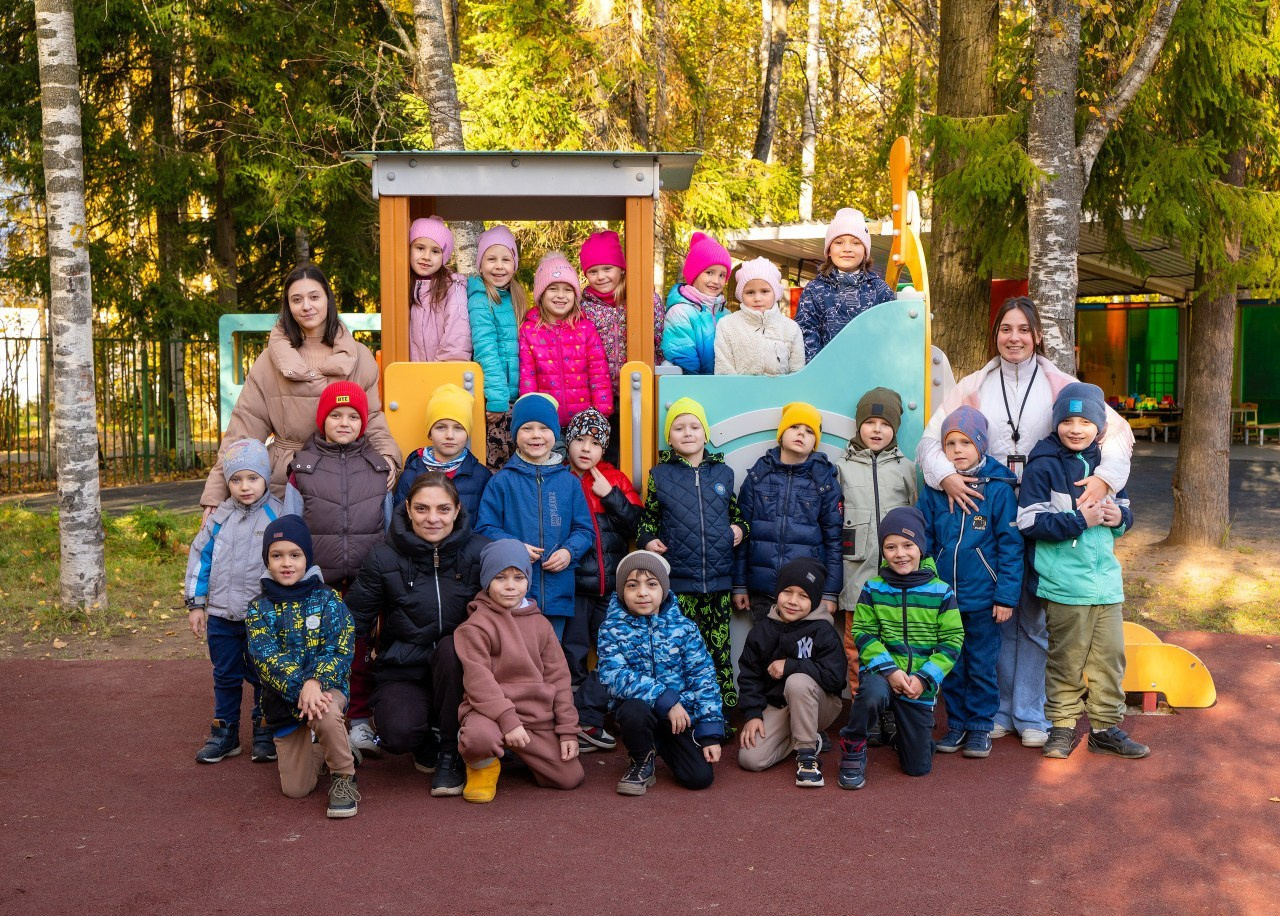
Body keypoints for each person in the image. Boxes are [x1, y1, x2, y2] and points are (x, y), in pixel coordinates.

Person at [916, 296, 1135, 748]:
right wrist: (948, 477)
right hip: (990, 503)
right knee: (994, 614)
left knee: (1035, 614)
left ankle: (1031, 711)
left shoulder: (1059, 383)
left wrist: (1105, 479)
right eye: (1005, 329)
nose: (1013, 338)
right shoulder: (973, 385)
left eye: (1022, 329)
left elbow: (1118, 432)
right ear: (994, 333)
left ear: (1037, 335)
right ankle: (994, 711)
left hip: (1044, 505)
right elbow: (929, 443)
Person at [201, 263, 400, 516]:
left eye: (314, 297)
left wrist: (389, 459)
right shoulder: (268, 361)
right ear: (288, 305)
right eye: (297, 299)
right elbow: (243, 428)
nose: (306, 306)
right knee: (286, 552)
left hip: (344, 474)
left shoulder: (359, 357)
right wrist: (215, 494)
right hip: (285, 479)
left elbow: (372, 420)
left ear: (328, 299)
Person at [1019, 383, 1148, 761]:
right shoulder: (1042, 465)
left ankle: (1105, 728)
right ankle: (1060, 727)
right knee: (1066, 660)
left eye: (1085, 422)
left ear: (1099, 426)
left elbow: (1126, 510)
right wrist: (1079, 519)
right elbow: (1028, 522)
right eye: (1068, 421)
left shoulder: (1108, 468)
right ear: (1057, 423)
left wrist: (1117, 517)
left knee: (1109, 659)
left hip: (1106, 584)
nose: (1076, 429)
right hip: (1065, 585)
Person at [347, 472, 487, 795]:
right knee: (397, 732)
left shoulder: (480, 552)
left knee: (454, 646)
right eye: (422, 509)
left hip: (461, 672)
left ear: (456, 510)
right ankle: (425, 736)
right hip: (404, 670)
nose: (433, 519)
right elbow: (351, 623)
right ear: (407, 509)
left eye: (442, 509)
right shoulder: (383, 557)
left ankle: (450, 755)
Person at [285, 380, 392, 760]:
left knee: (360, 649)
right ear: (322, 420)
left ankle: (360, 718)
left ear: (363, 422)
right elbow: (292, 524)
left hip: (365, 578)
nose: (344, 422)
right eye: (335, 415)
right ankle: (320, 720)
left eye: (352, 416)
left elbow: (388, 523)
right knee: (318, 650)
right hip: (319, 581)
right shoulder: (303, 467)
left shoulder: (378, 467)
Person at [185, 438, 299, 765]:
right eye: (236, 479)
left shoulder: (276, 515)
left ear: (265, 477)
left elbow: (289, 563)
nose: (244, 486)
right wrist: (196, 604)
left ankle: (264, 729)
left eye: (252, 478)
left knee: (265, 674)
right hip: (221, 614)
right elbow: (200, 559)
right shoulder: (219, 518)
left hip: (263, 617)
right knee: (226, 674)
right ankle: (226, 732)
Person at [918, 407, 1023, 759]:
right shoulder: (934, 489)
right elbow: (925, 539)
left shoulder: (998, 489)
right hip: (945, 599)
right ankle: (957, 725)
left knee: (981, 664)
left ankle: (980, 727)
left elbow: (1010, 546)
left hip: (983, 599)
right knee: (953, 664)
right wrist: (930, 586)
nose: (958, 450)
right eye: (950, 444)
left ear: (981, 445)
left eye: (966, 442)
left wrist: (1005, 596)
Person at [836, 508, 963, 790]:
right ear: (882, 551)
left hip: (918, 682)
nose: (900, 554)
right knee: (869, 694)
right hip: (882, 675)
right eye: (890, 547)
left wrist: (924, 678)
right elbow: (863, 632)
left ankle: (903, 730)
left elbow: (953, 640)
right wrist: (890, 671)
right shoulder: (873, 588)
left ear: (921, 548)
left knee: (917, 768)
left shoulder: (941, 592)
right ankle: (853, 746)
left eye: (908, 545)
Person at [244, 516, 360, 818]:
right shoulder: (259, 607)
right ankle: (335, 747)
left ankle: (344, 776)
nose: (286, 563)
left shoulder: (328, 599)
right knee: (296, 789)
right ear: (267, 560)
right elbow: (266, 658)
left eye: (295, 555)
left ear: (307, 558)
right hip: (284, 697)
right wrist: (302, 687)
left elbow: (340, 647)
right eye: (277, 555)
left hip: (325, 689)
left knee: (325, 711)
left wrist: (315, 683)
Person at [454, 539, 584, 803]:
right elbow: (479, 680)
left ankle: (521, 755)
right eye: (500, 577)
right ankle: (483, 764)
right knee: (479, 737)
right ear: (487, 581)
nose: (511, 586)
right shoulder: (475, 626)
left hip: (536, 715)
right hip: (491, 713)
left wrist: (568, 729)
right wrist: (508, 721)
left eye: (518, 577)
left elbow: (558, 678)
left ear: (528, 579)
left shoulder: (541, 624)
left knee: (570, 778)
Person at [638, 397, 747, 707]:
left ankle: (720, 714)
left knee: (719, 652)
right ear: (669, 437)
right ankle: (683, 714)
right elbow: (649, 519)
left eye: (694, 426)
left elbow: (737, 516)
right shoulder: (660, 475)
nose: (687, 433)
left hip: (718, 583)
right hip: (680, 584)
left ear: (705, 433)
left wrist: (740, 530)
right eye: (679, 427)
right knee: (680, 652)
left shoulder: (723, 474)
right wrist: (647, 541)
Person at [596, 551, 726, 796]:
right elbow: (613, 675)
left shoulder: (684, 628)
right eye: (632, 585)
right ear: (622, 591)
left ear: (664, 589)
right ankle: (641, 759)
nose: (642, 592)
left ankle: (661, 745)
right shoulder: (611, 628)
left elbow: (704, 678)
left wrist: (710, 733)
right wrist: (665, 699)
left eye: (652, 584)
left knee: (699, 778)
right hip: (641, 713)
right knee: (634, 709)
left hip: (677, 719)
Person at [835, 387, 917, 746]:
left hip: (897, 582)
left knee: (898, 645)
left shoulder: (906, 468)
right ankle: (864, 711)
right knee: (856, 647)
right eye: (870, 422)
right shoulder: (840, 468)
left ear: (895, 428)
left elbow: (917, 520)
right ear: (859, 426)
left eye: (885, 423)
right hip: (856, 578)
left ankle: (892, 712)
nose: (877, 429)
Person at [475, 393, 594, 639]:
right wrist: (515, 548)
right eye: (527, 428)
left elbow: (585, 531)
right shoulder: (501, 482)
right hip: (512, 595)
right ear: (515, 434)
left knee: (549, 659)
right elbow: (485, 527)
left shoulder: (569, 483)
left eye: (544, 428)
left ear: (555, 434)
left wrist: (569, 551)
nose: (536, 435)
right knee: (514, 659)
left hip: (557, 593)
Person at [563, 408, 642, 753]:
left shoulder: (615, 478)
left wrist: (610, 495)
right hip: (576, 586)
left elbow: (634, 524)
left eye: (595, 443)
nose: (586, 448)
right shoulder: (561, 479)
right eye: (579, 440)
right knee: (574, 654)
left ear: (604, 448)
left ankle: (599, 713)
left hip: (609, 588)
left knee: (614, 652)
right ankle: (582, 721)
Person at [737, 558, 846, 788]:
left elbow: (836, 679)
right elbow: (749, 676)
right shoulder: (761, 631)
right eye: (787, 592)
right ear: (777, 592)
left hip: (820, 704)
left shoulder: (823, 630)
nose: (793, 601)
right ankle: (802, 735)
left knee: (797, 681)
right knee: (750, 759)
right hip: (778, 706)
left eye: (803, 596)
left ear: (814, 600)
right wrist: (753, 714)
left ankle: (807, 755)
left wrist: (790, 665)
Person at [733, 402, 842, 623]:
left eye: (809, 431)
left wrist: (830, 591)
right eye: (794, 427)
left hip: (805, 593)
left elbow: (834, 540)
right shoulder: (758, 477)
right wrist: (739, 584)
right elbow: (742, 534)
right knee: (764, 652)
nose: (801, 433)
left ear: (814, 444)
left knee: (800, 656)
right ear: (781, 435)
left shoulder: (824, 483)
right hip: (764, 590)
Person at [517, 252, 614, 425]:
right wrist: (531, 414)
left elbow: (598, 373)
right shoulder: (529, 330)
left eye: (567, 290)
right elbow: (528, 378)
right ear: (541, 293)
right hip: (546, 420)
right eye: (553, 289)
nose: (561, 295)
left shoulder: (585, 328)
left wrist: (600, 414)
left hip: (584, 421)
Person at [794, 208, 895, 362]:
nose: (847, 249)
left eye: (856, 243)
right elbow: (806, 330)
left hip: (871, 374)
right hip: (828, 373)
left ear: (865, 251)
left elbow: (891, 330)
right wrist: (816, 369)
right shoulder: (815, 290)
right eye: (839, 242)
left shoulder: (879, 289)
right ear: (829, 250)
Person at [466, 225, 527, 469]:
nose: (499, 266)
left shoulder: (516, 296)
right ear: (480, 265)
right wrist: (497, 400)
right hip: (498, 400)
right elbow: (486, 351)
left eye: (506, 259)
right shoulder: (481, 300)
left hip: (517, 397)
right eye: (491, 259)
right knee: (497, 464)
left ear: (515, 264)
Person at [394, 383, 492, 522]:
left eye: (458, 428)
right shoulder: (410, 476)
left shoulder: (481, 476)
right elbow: (400, 524)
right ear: (429, 432)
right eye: (441, 427)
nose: (449, 435)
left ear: (467, 433)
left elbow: (485, 524)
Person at [713, 257, 804, 376]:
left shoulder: (791, 328)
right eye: (750, 292)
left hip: (780, 394)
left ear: (775, 293)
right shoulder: (727, 326)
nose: (757, 298)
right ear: (741, 294)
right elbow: (724, 370)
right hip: (739, 393)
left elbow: (797, 372)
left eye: (764, 291)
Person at [661, 231, 731, 375]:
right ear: (695, 273)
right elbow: (683, 357)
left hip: (726, 388)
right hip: (695, 390)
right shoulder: (681, 312)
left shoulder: (726, 314)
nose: (716, 281)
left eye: (722, 275)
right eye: (709, 272)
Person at [407, 216, 471, 362]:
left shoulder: (453, 287)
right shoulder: (404, 284)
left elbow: (456, 338)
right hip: (409, 375)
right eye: (420, 248)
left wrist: (440, 373)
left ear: (444, 256)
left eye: (435, 251)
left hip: (442, 375)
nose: (426, 256)